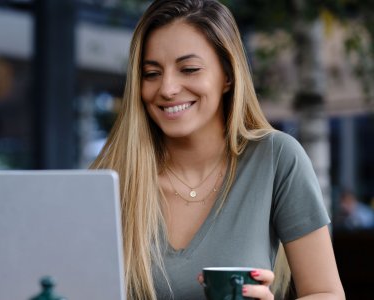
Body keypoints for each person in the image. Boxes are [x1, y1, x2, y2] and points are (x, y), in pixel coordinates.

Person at [90, 0, 345, 299]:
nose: (168, 88)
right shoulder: (110, 179)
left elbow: (326, 293)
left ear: (227, 75)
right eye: (151, 73)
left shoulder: (276, 158)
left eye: (189, 69)